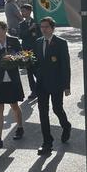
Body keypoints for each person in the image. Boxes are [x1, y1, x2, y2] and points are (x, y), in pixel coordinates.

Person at [34, 17, 72, 156]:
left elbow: (65, 65)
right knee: (42, 112)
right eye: (42, 27)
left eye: (46, 27)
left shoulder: (61, 43)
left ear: (52, 28)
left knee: (57, 109)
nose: (43, 29)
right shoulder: (38, 42)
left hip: (56, 83)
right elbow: (36, 62)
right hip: (42, 84)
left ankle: (66, 126)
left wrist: (66, 86)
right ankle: (47, 142)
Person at [0, 21, 25, 148]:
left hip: (12, 79)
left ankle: (19, 127)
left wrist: (12, 61)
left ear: (4, 29)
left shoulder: (13, 41)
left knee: (14, 105)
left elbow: (21, 56)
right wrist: (3, 63)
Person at [18, 4, 41, 100]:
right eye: (21, 11)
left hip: (35, 49)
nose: (22, 13)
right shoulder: (22, 24)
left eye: (24, 11)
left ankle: (40, 87)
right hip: (26, 51)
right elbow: (21, 36)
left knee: (37, 70)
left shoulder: (36, 22)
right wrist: (29, 29)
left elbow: (39, 36)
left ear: (29, 11)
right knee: (29, 71)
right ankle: (33, 90)